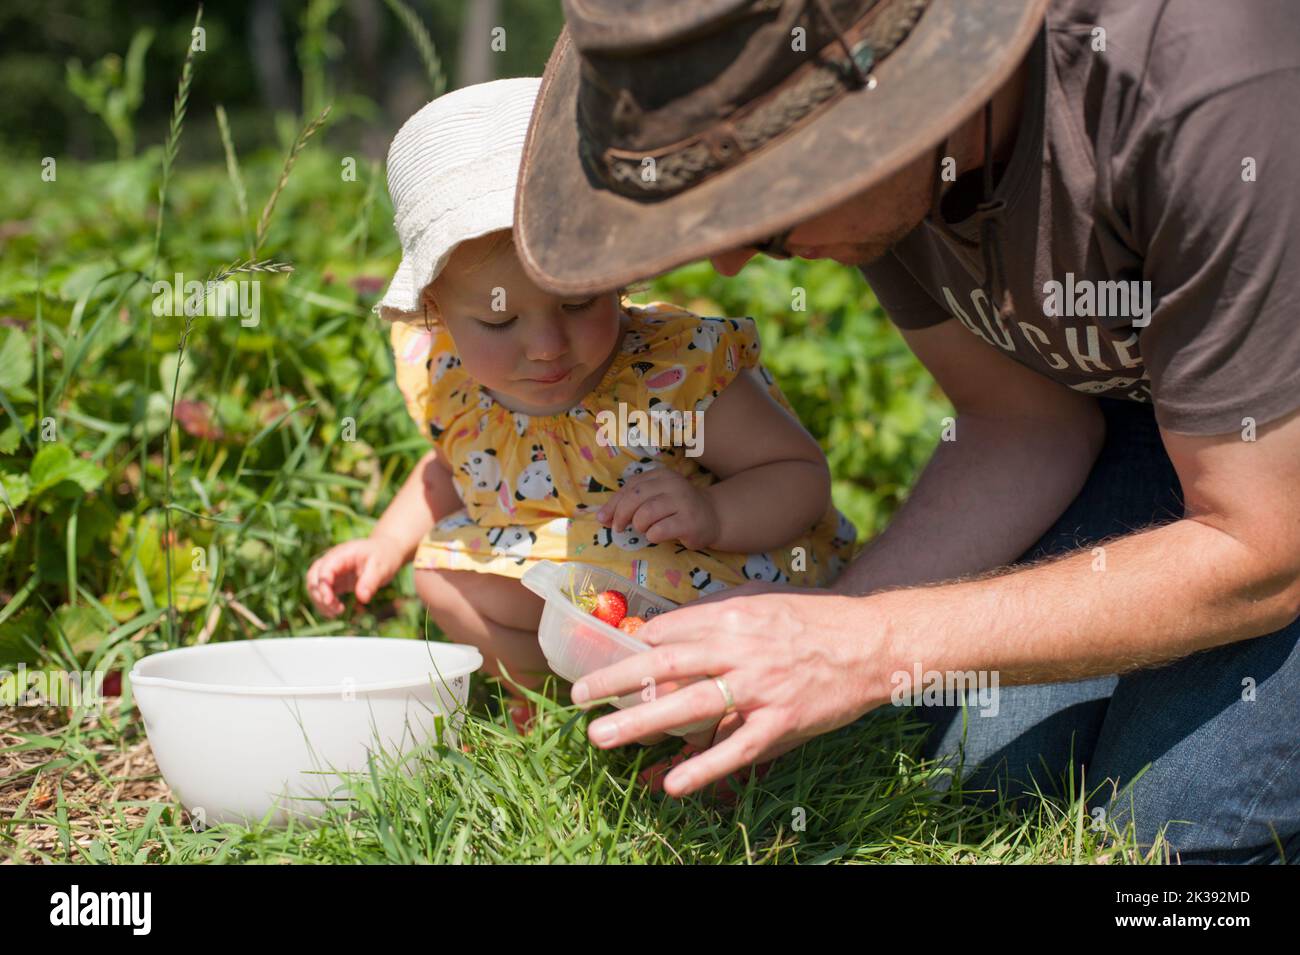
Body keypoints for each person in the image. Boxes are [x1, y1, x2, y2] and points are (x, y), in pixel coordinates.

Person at [513, 0, 1300, 863]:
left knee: (1171, 835)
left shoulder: (1208, 88)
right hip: (1184, 427)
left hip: (1271, 487)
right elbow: (1024, 422)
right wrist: (828, 628)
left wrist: (876, 647)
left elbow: (1262, 545)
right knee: (979, 770)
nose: (733, 257)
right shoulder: (896, 169)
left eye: (766, 200)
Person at [305, 78, 856, 726]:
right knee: (442, 577)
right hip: (576, 584)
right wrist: (383, 544)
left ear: (617, 274)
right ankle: (554, 700)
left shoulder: (666, 375)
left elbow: (797, 476)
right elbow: (453, 468)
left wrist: (712, 511)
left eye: (577, 303)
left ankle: (713, 722)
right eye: (500, 322)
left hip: (698, 582)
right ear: (436, 312)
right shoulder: (452, 376)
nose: (546, 346)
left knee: (707, 636)